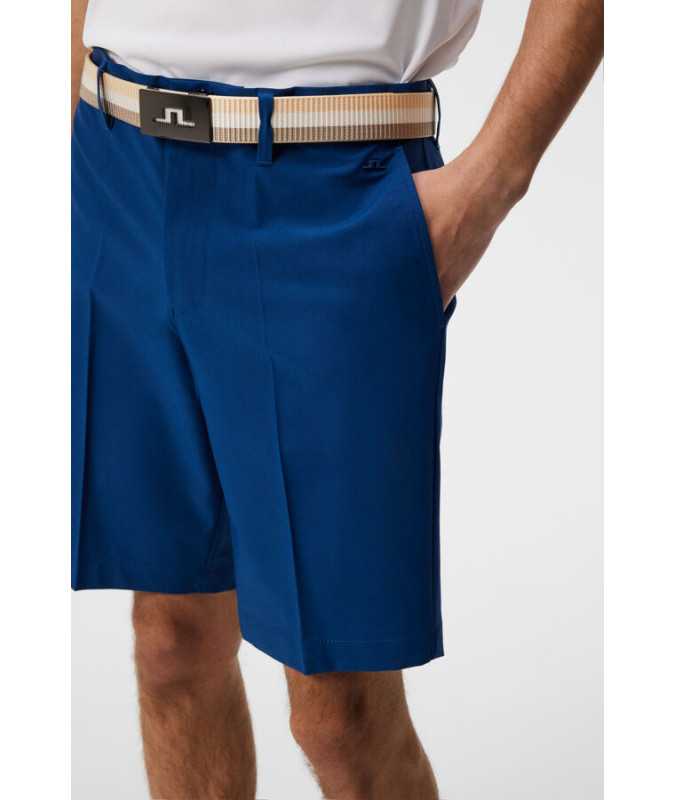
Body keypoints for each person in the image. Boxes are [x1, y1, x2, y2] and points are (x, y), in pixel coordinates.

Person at [71, 2, 603, 798]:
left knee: (339, 709)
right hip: (118, 163)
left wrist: (491, 184)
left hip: (332, 182)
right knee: (170, 639)